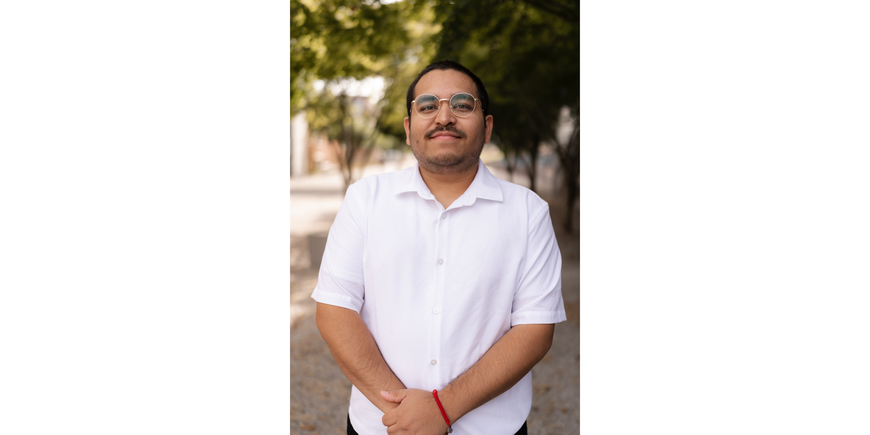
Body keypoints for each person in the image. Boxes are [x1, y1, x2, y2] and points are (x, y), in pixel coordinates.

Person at [312, 60, 566, 435]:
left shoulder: (528, 212)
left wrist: (443, 410)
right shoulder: (365, 200)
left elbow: (535, 329)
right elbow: (335, 309)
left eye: (462, 104)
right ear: (408, 127)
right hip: (382, 426)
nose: (444, 116)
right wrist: (404, 415)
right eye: (428, 105)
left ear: (488, 126)